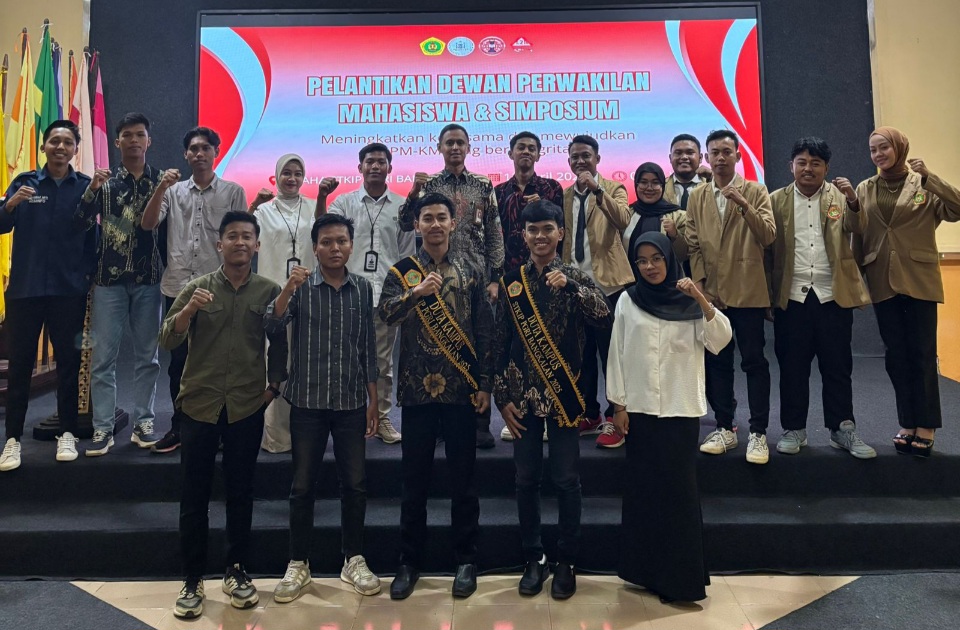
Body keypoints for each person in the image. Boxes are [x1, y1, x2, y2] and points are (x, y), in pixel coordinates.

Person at [160, 211, 287, 619]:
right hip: (199, 405)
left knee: (241, 492)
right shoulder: (197, 288)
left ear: (257, 245)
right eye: (232, 236)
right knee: (194, 496)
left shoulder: (269, 290)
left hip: (246, 406)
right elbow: (167, 338)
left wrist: (273, 387)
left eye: (247, 236)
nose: (240, 242)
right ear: (220, 244)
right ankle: (192, 578)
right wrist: (188, 311)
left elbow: (280, 341)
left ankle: (236, 570)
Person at [494, 200, 611, 599]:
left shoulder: (576, 277)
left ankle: (567, 560)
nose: (540, 236)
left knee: (565, 480)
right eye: (533, 230)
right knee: (526, 479)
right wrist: (501, 398)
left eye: (547, 228)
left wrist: (573, 288)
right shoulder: (512, 282)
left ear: (561, 232)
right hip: (522, 399)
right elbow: (499, 342)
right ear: (523, 235)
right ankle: (533, 558)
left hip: (565, 397)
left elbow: (604, 316)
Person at [380, 192, 494, 600]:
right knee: (414, 482)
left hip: (462, 391)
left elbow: (485, 329)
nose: (434, 224)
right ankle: (409, 562)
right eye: (426, 218)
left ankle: (466, 560)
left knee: (464, 481)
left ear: (452, 223)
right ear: (416, 225)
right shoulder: (403, 272)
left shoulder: (471, 269)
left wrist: (485, 384)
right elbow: (386, 314)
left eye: (441, 217)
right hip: (417, 391)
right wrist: (415, 295)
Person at [608, 232, 731, 604]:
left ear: (669, 259)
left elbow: (721, 340)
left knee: (678, 496)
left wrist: (701, 299)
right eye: (642, 260)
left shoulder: (688, 300)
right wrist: (619, 406)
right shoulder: (628, 300)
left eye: (656, 258)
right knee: (645, 494)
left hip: (680, 410)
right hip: (640, 411)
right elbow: (617, 353)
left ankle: (680, 582)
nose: (650, 266)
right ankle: (644, 573)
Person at [266, 214, 381, 602]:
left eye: (341, 241)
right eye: (327, 242)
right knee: (302, 486)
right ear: (314, 248)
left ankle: (354, 558)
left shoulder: (362, 288)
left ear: (351, 245)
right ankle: (298, 563)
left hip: (350, 401)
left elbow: (368, 347)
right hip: (308, 402)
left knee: (355, 484)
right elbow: (272, 324)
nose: (335, 248)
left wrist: (374, 400)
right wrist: (287, 288)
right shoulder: (300, 287)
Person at [852, 127, 960, 457]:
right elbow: (859, 234)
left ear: (900, 148)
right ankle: (908, 422)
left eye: (884, 147)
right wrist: (855, 279)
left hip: (919, 279)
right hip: (882, 280)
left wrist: (931, 178)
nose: (878, 154)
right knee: (896, 356)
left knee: (922, 354)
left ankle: (926, 425)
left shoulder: (922, 184)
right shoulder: (865, 188)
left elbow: (957, 209)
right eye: (873, 149)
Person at [142, 126, 248, 454]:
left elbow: (242, 240)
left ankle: (218, 430)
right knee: (179, 363)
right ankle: (179, 427)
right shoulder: (172, 191)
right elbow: (148, 224)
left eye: (205, 148)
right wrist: (161, 187)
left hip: (219, 287)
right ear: (185, 154)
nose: (199, 153)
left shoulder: (233, 191)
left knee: (218, 362)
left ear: (217, 152)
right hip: (178, 286)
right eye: (193, 148)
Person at [768, 137, 876, 458]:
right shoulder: (775, 200)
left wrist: (853, 199)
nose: (808, 168)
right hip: (792, 297)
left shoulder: (840, 197)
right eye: (802, 162)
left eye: (815, 163)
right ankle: (793, 429)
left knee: (837, 367)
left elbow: (860, 227)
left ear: (826, 168)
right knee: (792, 368)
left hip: (833, 296)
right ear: (791, 166)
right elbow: (766, 250)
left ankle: (842, 429)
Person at [399, 124, 504, 449]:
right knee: (434, 344)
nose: (455, 148)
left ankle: (479, 422)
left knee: (477, 342)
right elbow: (404, 224)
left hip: (474, 277)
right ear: (439, 148)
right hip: (433, 274)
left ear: (469, 147)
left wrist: (495, 278)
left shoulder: (482, 185)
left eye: (460, 142)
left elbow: (494, 232)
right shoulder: (429, 184)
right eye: (449, 143)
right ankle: (439, 420)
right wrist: (413, 194)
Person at [0, 120, 96, 470]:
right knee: (20, 365)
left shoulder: (84, 187)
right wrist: (10, 206)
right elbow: (1, 225)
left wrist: (85, 277)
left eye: (67, 142)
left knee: (69, 364)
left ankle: (67, 432)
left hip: (67, 291)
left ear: (75, 150)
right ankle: (12, 440)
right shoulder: (24, 183)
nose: (60, 147)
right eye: (54, 141)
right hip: (25, 290)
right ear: (44, 147)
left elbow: (93, 240)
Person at [74, 112, 165, 456]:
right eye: (127, 135)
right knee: (103, 360)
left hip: (148, 281)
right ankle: (103, 428)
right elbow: (80, 223)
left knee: (148, 358)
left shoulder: (163, 181)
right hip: (108, 281)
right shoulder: (105, 182)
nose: (134, 140)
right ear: (117, 142)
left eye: (140, 134)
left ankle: (144, 422)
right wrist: (91, 191)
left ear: (148, 141)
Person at [685, 129, 776, 464]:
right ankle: (725, 427)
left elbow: (768, 236)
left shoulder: (756, 190)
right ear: (706, 158)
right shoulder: (697, 196)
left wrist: (743, 204)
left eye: (727, 151)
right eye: (715, 152)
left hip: (748, 291)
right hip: (712, 294)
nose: (721, 158)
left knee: (754, 361)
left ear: (738, 155)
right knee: (718, 362)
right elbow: (693, 244)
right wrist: (701, 287)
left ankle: (758, 433)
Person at [328, 142, 416, 445]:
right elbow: (329, 242)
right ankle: (349, 418)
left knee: (382, 363)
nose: (375, 166)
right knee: (345, 360)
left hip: (387, 298)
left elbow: (406, 256)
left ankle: (382, 418)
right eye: (370, 161)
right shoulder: (343, 203)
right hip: (348, 295)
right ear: (360, 167)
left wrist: (403, 297)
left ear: (390, 168)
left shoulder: (403, 207)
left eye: (381, 161)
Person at [561, 134, 634, 448]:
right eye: (575, 157)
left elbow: (623, 219)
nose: (580, 161)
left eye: (586, 156)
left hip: (608, 285)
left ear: (597, 159)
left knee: (612, 355)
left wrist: (597, 190)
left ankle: (616, 417)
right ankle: (589, 413)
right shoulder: (564, 195)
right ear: (569, 161)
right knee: (582, 354)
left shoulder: (613, 189)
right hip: (575, 288)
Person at [494, 131, 564, 443]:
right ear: (510, 153)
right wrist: (496, 278)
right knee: (515, 346)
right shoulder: (498, 191)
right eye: (520, 147)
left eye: (532, 148)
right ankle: (520, 410)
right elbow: (493, 238)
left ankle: (549, 413)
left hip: (547, 275)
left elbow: (559, 229)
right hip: (512, 279)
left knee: (548, 341)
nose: (526, 152)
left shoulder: (552, 188)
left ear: (538, 154)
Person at [249, 154, 318, 453]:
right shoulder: (263, 210)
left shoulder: (314, 207)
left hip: (308, 293)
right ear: (276, 176)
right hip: (274, 294)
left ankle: (305, 434)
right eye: (286, 173)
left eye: (297, 173)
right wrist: (253, 204)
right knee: (277, 362)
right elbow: (243, 234)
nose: (292, 178)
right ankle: (276, 436)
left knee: (304, 363)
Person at [622, 163, 688, 282]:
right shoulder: (626, 214)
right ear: (636, 184)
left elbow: (684, 255)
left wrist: (675, 235)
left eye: (655, 183)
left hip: (669, 286)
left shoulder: (678, 216)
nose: (649, 188)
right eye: (643, 182)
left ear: (663, 185)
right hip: (631, 284)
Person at [663, 134, 712, 209]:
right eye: (678, 153)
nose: (684, 157)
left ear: (700, 158)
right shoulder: (660, 187)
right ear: (670, 158)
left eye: (690, 152)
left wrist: (714, 177)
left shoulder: (712, 184)